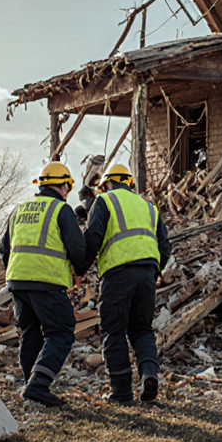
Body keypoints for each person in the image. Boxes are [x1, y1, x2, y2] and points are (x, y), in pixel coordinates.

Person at [0, 162, 88, 407]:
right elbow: (77, 248)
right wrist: (79, 271)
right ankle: (38, 386)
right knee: (60, 331)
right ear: (64, 186)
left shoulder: (18, 210)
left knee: (30, 333)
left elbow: (3, 249)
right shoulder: (61, 209)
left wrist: (15, 272)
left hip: (17, 282)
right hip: (46, 281)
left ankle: (31, 385)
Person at [83, 163, 171, 405]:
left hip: (118, 275)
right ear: (130, 184)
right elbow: (164, 246)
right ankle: (149, 375)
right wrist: (154, 271)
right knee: (142, 330)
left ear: (107, 184)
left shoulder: (105, 202)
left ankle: (121, 393)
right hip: (147, 275)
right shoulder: (149, 207)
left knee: (114, 331)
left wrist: (79, 267)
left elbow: (92, 238)